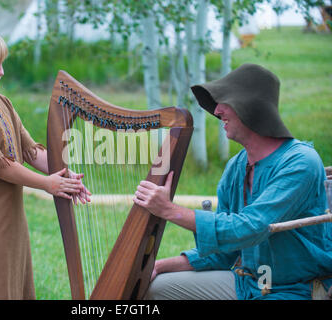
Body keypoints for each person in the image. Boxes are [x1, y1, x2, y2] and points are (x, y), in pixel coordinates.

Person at [133, 64, 332, 300]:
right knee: (153, 288)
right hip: (245, 284)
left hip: (296, 288)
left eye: (224, 102)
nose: (216, 111)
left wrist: (169, 211)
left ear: (250, 107)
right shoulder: (236, 167)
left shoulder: (301, 163)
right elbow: (225, 252)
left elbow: (252, 228)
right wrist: (157, 266)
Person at [0, 26, 91, 299]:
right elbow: (1, 166)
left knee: (15, 287)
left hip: (11, 217)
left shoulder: (1, 103)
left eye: (2, 64)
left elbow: (31, 152)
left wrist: (65, 176)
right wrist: (49, 184)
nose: (0, 71)